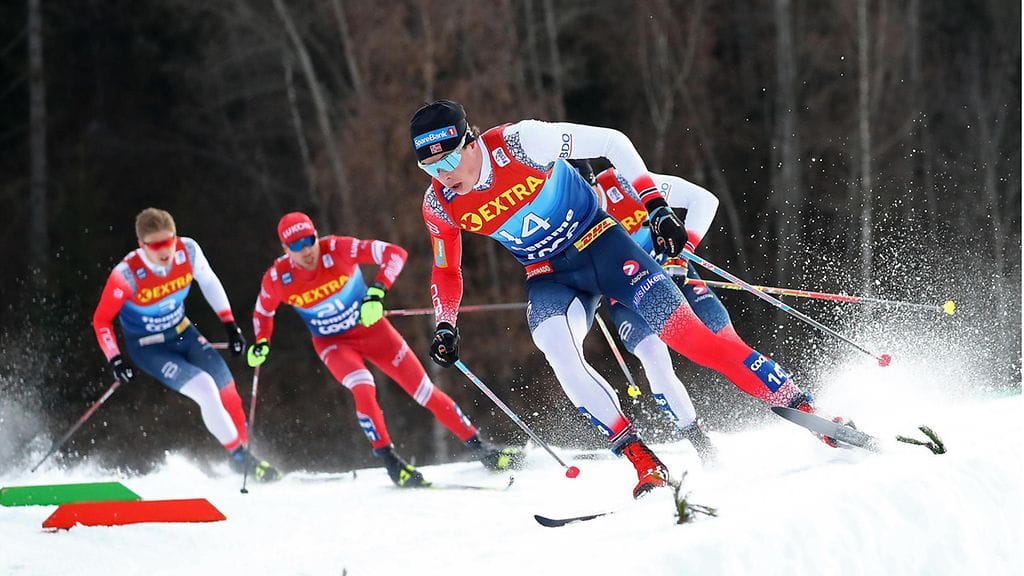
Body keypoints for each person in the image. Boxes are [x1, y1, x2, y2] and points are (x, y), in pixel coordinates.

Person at [411, 99, 807, 499]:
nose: (441, 177)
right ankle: (643, 461)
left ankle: (802, 406)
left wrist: (655, 207)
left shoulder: (522, 143)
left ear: (470, 142)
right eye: (429, 169)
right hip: (549, 274)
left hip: (603, 246)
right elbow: (446, 270)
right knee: (557, 351)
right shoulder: (438, 204)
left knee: (692, 340)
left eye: (445, 163)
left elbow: (612, 142)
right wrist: (446, 322)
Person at [572, 160, 839, 458]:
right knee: (653, 358)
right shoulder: (567, 220)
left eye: (588, 192)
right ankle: (701, 445)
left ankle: (804, 408)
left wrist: (682, 254)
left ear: (594, 181)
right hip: (628, 302)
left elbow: (703, 200)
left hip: (674, 277)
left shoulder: (622, 184)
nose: (586, 204)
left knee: (726, 344)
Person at [248, 212, 522, 488]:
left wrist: (376, 292)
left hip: (373, 331)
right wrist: (261, 342)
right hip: (334, 344)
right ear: (285, 249)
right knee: (363, 386)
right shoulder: (277, 278)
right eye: (295, 246)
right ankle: (392, 462)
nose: (305, 250)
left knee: (425, 391)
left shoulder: (338, 248)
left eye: (309, 240)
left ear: (317, 236)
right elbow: (262, 312)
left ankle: (481, 449)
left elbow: (394, 254)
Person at [92, 208, 280, 481]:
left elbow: (209, 281)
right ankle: (242, 458)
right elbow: (101, 321)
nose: (164, 250)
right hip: (148, 347)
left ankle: (247, 456)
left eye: (169, 241)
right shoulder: (127, 274)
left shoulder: (188, 251)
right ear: (141, 245)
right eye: (156, 245)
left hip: (183, 333)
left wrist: (230, 325)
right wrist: (115, 358)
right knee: (205, 388)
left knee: (227, 390)